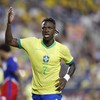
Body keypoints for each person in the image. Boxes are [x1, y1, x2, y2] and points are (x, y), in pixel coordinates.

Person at [5, 7, 76, 100]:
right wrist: (9, 23)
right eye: (44, 28)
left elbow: (73, 65)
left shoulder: (62, 49)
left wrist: (65, 78)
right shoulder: (32, 43)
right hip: (36, 94)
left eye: (49, 28)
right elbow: (9, 41)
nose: (46, 30)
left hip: (53, 93)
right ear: (41, 30)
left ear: (55, 31)